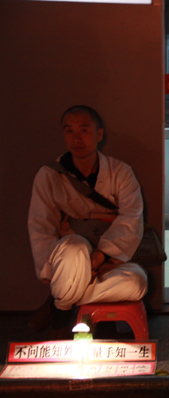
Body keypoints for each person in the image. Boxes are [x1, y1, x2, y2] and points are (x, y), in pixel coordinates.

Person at [28, 105, 148, 338]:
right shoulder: (49, 175)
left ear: (99, 134)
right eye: (69, 131)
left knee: (137, 282)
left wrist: (101, 255)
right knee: (74, 247)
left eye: (84, 130)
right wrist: (52, 269)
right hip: (70, 257)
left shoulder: (120, 172)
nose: (76, 138)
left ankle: (61, 300)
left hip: (111, 259)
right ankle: (63, 294)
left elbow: (131, 218)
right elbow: (40, 224)